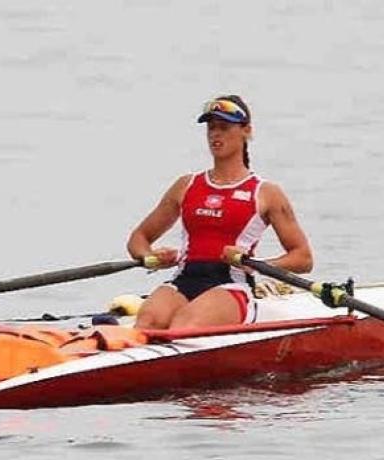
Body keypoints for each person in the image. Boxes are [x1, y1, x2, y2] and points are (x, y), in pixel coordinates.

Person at [127, 95, 313, 329]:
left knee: (184, 325)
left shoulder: (265, 193)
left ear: (247, 131)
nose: (216, 134)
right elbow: (138, 238)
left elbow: (303, 258)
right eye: (211, 128)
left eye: (224, 127)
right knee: (146, 322)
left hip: (231, 285)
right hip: (183, 280)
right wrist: (151, 258)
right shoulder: (186, 185)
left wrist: (254, 264)